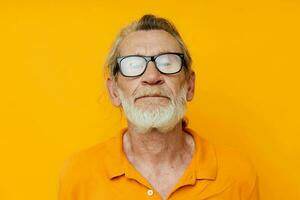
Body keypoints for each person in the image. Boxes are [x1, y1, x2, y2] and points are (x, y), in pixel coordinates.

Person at [58, 14, 260, 200]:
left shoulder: (237, 174)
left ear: (189, 85)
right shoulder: (79, 174)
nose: (152, 77)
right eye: (134, 66)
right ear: (114, 92)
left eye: (167, 63)